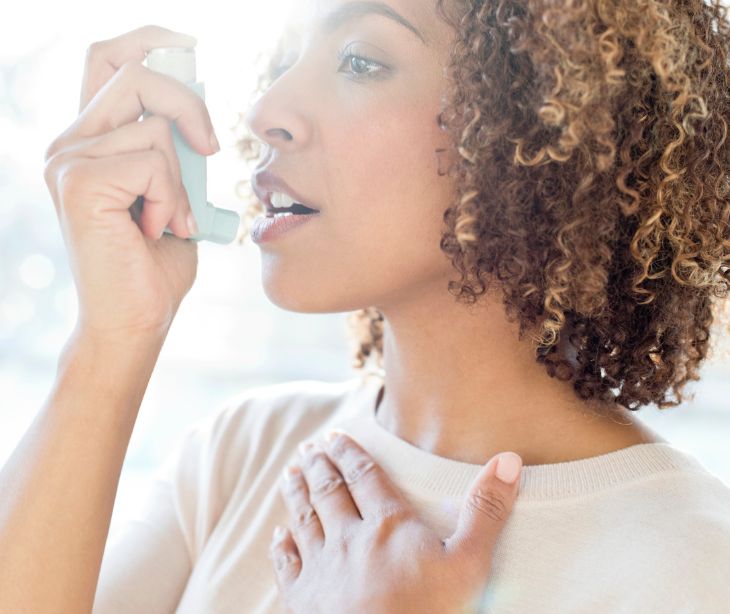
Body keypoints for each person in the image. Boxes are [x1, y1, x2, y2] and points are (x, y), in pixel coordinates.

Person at [2, 0, 730, 610]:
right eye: (286, 60)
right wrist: (111, 338)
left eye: (360, 61)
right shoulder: (241, 455)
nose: (264, 112)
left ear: (545, 124)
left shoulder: (695, 568)